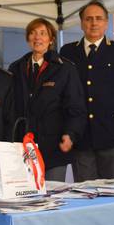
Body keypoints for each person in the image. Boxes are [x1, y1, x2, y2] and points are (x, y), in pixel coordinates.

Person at [60, 1, 114, 181]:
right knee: (85, 195)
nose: (93, 23)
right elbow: (63, 96)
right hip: (80, 138)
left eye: (98, 19)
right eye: (88, 19)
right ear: (81, 23)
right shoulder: (67, 52)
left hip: (112, 137)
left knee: (112, 194)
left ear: (106, 23)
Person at [9, 18, 86, 181]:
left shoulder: (65, 68)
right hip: (22, 147)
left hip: (54, 147)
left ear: (51, 39)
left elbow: (76, 106)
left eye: (43, 33)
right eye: (33, 33)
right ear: (28, 38)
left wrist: (71, 134)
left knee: (51, 197)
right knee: (25, 197)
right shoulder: (16, 68)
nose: (38, 37)